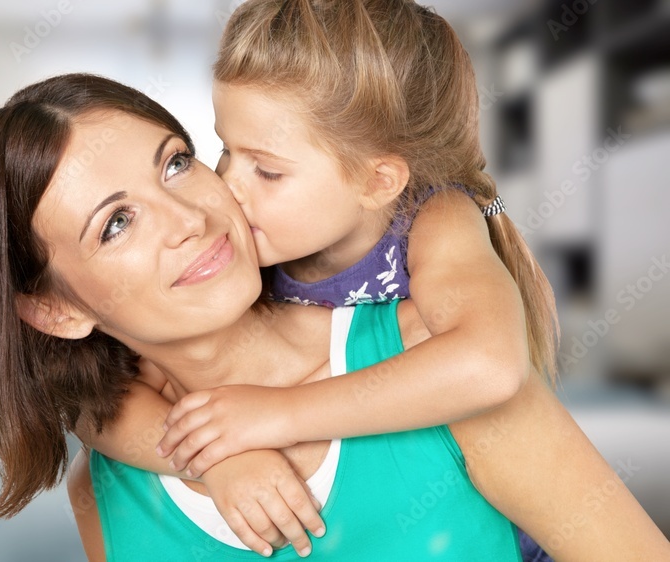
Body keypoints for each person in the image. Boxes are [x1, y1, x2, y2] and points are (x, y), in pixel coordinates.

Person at [0, 73, 670, 560]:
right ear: (56, 310)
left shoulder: (436, 365)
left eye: (175, 163)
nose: (189, 217)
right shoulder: (103, 489)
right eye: (116, 223)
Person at [91, 1, 552, 557]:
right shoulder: (245, 251)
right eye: (223, 150)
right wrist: (219, 456)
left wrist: (277, 416)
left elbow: (491, 365)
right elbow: (94, 403)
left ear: (378, 181)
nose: (226, 187)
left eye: (266, 169)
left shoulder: (435, 220)